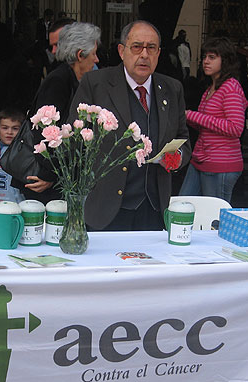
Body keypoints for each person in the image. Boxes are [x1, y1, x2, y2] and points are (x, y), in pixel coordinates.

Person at [68, 20, 192, 231]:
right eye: (137, 47)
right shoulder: (96, 84)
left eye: (151, 48)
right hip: (106, 208)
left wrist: (176, 157)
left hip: (154, 209)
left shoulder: (172, 89)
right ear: (121, 50)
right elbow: (74, 138)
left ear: (158, 53)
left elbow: (183, 139)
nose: (144, 54)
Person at [22, 22, 101, 204]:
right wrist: (49, 174)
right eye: (94, 53)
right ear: (80, 55)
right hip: (47, 182)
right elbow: (46, 131)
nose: (97, 59)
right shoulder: (58, 81)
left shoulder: (78, 80)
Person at [179, 37, 248, 203]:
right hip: (200, 159)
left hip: (221, 164)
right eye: (204, 57)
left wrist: (192, 115)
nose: (205, 62)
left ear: (225, 61)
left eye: (212, 57)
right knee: (181, 206)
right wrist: (183, 116)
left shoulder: (230, 87)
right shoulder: (211, 88)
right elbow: (207, 125)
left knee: (214, 219)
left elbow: (235, 127)